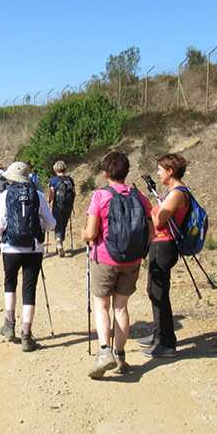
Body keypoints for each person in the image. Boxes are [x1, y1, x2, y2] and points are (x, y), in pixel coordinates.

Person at [81, 151, 154, 378]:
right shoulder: (140, 197)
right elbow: (151, 233)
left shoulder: (100, 196)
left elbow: (92, 232)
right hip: (132, 259)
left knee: (101, 305)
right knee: (121, 307)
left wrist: (84, 234)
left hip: (105, 258)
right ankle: (120, 357)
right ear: (126, 171)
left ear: (105, 173)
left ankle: (104, 352)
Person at [0, 162, 56, 352]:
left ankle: (9, 325)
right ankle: (27, 336)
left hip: (10, 248)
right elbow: (52, 224)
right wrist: (40, 224)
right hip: (34, 248)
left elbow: (0, 222)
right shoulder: (38, 195)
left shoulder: (5, 195)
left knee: (9, 283)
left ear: (11, 178)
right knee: (30, 290)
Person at [142, 153, 190, 359]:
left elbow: (159, 221)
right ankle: (158, 334)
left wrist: (147, 207)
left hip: (165, 246)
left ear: (170, 171)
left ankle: (167, 342)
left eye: (161, 170)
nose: (158, 173)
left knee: (159, 292)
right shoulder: (173, 192)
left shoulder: (177, 193)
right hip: (160, 244)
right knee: (154, 291)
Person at [48, 160, 75, 257]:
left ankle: (59, 243)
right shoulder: (70, 180)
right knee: (64, 224)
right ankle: (60, 242)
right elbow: (74, 193)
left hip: (57, 206)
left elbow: (52, 194)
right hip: (68, 206)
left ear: (55, 170)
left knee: (58, 224)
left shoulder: (54, 180)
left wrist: (49, 200)